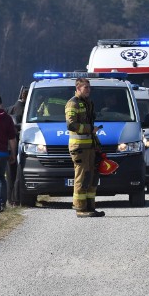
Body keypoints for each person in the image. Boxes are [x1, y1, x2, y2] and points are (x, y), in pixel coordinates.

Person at [65, 78, 104, 218]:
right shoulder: (72, 103)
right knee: (82, 177)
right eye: (85, 87)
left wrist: (97, 145)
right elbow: (71, 125)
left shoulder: (89, 103)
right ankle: (80, 209)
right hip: (79, 147)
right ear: (78, 88)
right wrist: (89, 129)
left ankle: (90, 207)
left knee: (92, 177)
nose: (88, 89)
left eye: (89, 87)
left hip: (90, 146)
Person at [5, 87, 28, 207]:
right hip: (20, 144)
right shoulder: (26, 110)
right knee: (19, 173)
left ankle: (10, 199)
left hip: (8, 146)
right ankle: (17, 198)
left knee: (10, 174)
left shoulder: (8, 109)